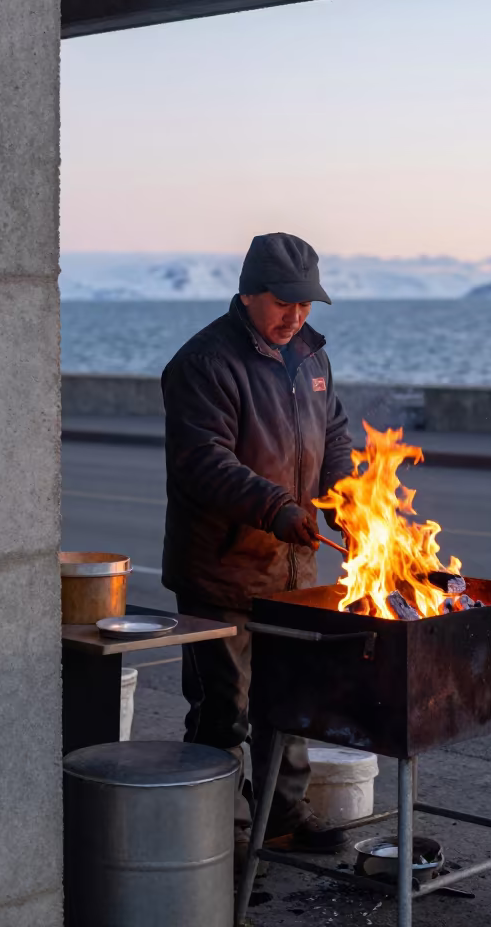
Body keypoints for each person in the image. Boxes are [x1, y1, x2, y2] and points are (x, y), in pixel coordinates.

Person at [161, 232, 353, 866]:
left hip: (294, 573)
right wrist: (277, 508)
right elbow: (203, 464)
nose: (295, 317)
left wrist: (346, 499)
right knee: (226, 710)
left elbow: (335, 437)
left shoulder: (312, 359)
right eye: (283, 303)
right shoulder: (203, 364)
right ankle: (217, 833)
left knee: (290, 702)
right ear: (248, 294)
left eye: (305, 305)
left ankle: (281, 813)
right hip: (222, 572)